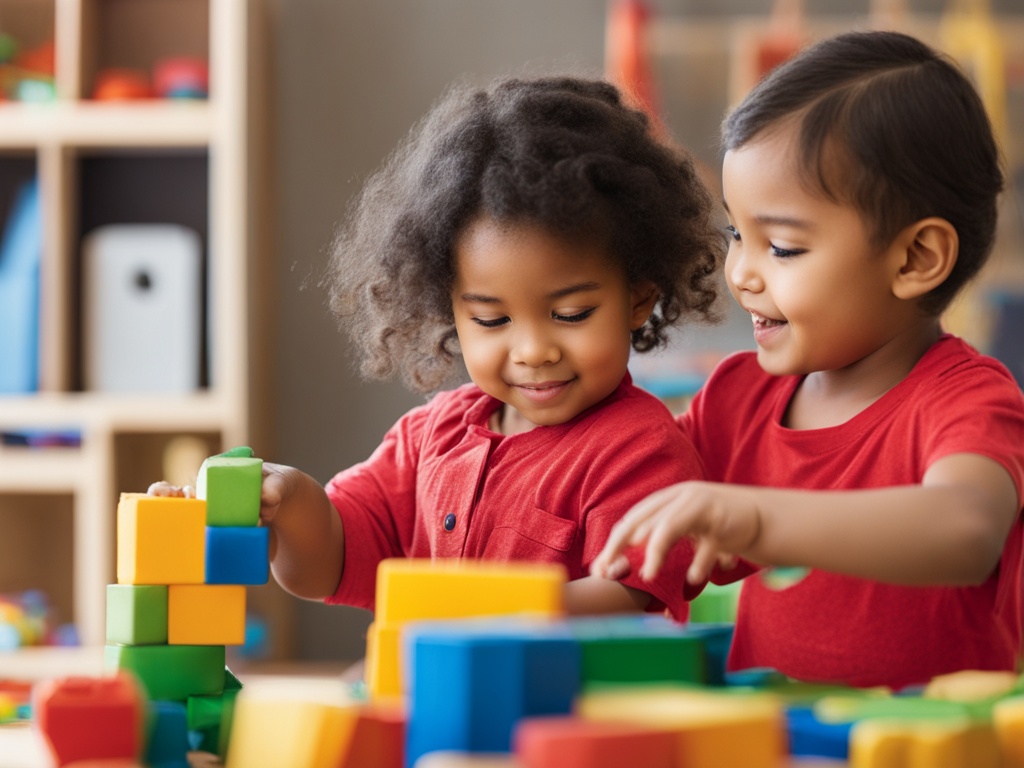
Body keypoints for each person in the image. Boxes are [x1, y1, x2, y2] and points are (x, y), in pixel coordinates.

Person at [152, 76, 725, 620]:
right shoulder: (431, 438)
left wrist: (460, 609)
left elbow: (628, 600)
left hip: (563, 716)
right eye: (492, 318)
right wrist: (290, 502)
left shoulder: (642, 451)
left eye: (570, 314)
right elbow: (328, 565)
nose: (532, 349)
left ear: (639, 300)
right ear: (450, 309)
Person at [592, 30, 1024, 688]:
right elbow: (631, 556)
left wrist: (757, 518)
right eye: (740, 234)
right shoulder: (735, 401)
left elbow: (965, 531)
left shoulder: (966, 400)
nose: (742, 274)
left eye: (784, 248)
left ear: (914, 259)